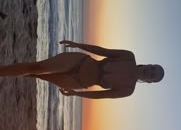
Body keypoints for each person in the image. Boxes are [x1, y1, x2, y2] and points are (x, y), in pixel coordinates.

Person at [0, 41, 164, 99]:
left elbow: (101, 95)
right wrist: (79, 45)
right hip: (79, 61)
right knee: (38, 67)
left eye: (153, 75)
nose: (151, 72)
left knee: (36, 75)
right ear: (150, 64)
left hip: (77, 82)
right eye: (153, 68)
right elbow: (102, 51)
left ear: (149, 81)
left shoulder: (128, 90)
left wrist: (77, 94)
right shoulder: (129, 57)